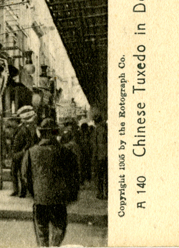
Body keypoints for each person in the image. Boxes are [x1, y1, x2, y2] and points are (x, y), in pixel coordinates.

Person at [22, 118, 81, 247]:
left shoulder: (31, 152)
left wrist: (35, 192)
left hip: (40, 199)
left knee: (41, 230)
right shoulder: (67, 152)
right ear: (56, 133)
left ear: (41, 133)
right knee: (59, 228)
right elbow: (75, 176)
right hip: (59, 199)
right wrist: (70, 195)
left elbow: (25, 176)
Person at [11, 105, 38, 197]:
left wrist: (23, 151)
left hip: (20, 154)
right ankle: (16, 190)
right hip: (16, 154)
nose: (12, 123)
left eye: (13, 121)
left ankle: (22, 191)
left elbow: (29, 142)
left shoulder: (23, 129)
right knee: (14, 172)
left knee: (21, 173)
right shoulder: (19, 129)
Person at [91, 113, 108, 199]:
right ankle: (107, 193)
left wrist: (95, 155)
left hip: (101, 156)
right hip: (107, 155)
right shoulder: (106, 127)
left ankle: (101, 193)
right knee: (107, 175)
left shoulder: (99, 129)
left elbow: (99, 144)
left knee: (100, 176)